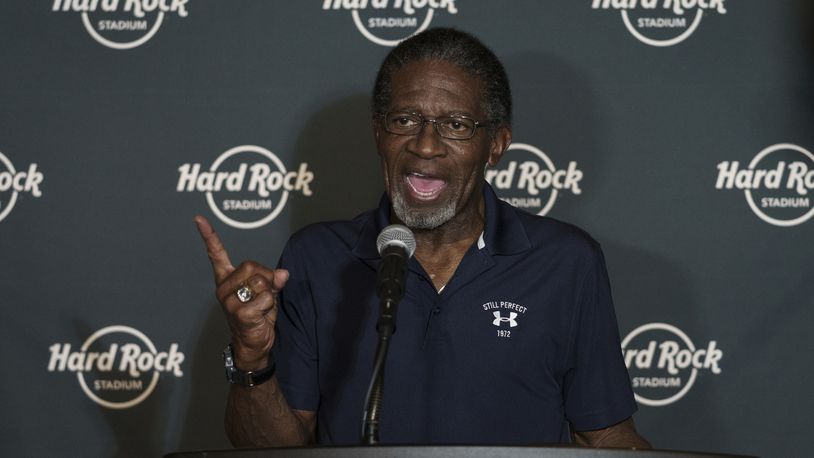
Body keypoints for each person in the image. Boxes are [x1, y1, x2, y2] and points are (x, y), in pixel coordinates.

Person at [195, 27, 649, 449]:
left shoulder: (566, 262)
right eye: (405, 120)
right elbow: (276, 451)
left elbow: (604, 435)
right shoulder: (314, 258)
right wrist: (252, 359)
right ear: (378, 133)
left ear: (496, 144)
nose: (426, 144)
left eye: (456, 125)